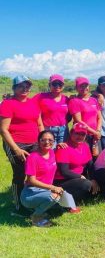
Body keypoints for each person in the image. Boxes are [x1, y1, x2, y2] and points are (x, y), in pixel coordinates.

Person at [0, 75, 43, 215]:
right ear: (14, 88)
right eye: (21, 86)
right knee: (19, 174)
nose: (25, 89)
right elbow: (3, 129)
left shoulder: (34, 103)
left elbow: (40, 124)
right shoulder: (8, 104)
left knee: (34, 173)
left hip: (35, 143)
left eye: (27, 86)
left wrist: (43, 142)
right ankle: (19, 207)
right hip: (16, 143)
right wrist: (16, 149)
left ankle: (33, 200)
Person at [20, 131, 63, 227]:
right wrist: (52, 187)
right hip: (30, 193)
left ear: (54, 142)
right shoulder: (32, 157)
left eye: (50, 140)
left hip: (44, 190)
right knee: (55, 196)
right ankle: (36, 217)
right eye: (43, 140)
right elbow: (31, 180)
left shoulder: (51, 153)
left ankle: (40, 209)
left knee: (60, 197)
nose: (47, 142)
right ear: (38, 142)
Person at [54, 123, 98, 204]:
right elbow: (64, 172)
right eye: (77, 133)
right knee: (86, 184)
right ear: (71, 133)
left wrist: (93, 179)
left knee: (96, 182)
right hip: (62, 181)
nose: (80, 136)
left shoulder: (85, 146)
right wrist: (80, 177)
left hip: (78, 179)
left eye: (83, 134)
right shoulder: (64, 148)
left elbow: (90, 165)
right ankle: (69, 203)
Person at [33, 74, 70, 147]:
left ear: (63, 86)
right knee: (50, 152)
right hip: (48, 130)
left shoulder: (66, 99)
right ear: (49, 85)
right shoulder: (41, 97)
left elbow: (70, 115)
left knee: (62, 153)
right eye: (54, 84)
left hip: (63, 130)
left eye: (60, 84)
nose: (57, 86)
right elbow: (27, 103)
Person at [68, 77, 102, 156]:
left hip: (95, 134)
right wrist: (95, 133)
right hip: (82, 135)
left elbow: (99, 117)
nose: (84, 88)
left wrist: (98, 131)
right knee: (84, 158)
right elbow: (78, 121)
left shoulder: (94, 100)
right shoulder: (74, 101)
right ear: (76, 88)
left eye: (86, 86)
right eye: (81, 86)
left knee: (96, 157)